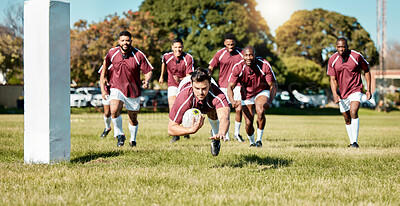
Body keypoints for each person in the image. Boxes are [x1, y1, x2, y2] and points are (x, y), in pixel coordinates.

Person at [100, 31, 153, 147]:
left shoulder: (138, 54)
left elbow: (148, 71)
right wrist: (103, 77)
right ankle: (120, 135)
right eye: (123, 40)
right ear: (119, 41)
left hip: (133, 90)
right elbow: (105, 63)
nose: (125, 43)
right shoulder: (112, 52)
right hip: (116, 87)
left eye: (127, 40)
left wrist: (147, 81)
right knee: (113, 110)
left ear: (131, 41)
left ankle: (132, 140)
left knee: (133, 119)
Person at [168, 68, 230, 156]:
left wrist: (221, 132)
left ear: (210, 84)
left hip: (209, 102)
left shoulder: (218, 94)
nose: (200, 92)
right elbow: (171, 128)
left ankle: (215, 135)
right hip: (189, 99)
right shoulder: (184, 97)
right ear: (191, 85)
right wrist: (190, 130)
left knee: (213, 110)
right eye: (197, 88)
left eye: (204, 88)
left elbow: (224, 117)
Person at [227, 46, 277, 147]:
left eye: (251, 55)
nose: (248, 57)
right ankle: (252, 142)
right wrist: (232, 101)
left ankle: (259, 140)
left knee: (260, 111)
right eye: (246, 55)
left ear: (254, 55)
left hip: (261, 91)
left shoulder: (264, 64)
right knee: (248, 123)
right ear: (242, 56)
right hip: (246, 95)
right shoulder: (238, 67)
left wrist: (269, 101)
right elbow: (230, 87)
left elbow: (273, 85)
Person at [327, 37, 371, 148]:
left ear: (347, 46)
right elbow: (333, 79)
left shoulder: (356, 56)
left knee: (353, 111)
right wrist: (334, 94)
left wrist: (368, 89)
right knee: (347, 118)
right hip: (342, 92)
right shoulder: (332, 59)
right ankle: (352, 142)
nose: (341, 49)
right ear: (336, 47)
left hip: (355, 89)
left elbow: (367, 71)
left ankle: (355, 143)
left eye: (343, 47)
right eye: (339, 47)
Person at [208, 33, 244, 142]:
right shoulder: (220, 53)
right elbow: (211, 66)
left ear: (235, 43)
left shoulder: (242, 53)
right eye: (228, 44)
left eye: (232, 44)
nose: (230, 46)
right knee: (225, 110)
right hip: (223, 86)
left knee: (239, 108)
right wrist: (207, 78)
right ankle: (226, 134)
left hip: (237, 85)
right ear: (224, 43)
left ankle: (237, 133)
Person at [159, 38, 194, 143]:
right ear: (172, 48)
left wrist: (180, 79)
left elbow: (189, 76)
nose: (178, 49)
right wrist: (161, 76)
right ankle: (175, 133)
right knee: (172, 106)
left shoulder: (188, 58)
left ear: (182, 47)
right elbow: (164, 63)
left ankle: (186, 129)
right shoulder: (166, 56)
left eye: (180, 47)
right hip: (172, 84)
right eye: (175, 47)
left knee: (185, 107)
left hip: (185, 84)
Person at [98, 65, 112, 138]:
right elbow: (102, 78)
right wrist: (103, 91)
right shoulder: (107, 63)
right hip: (107, 91)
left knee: (115, 112)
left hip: (118, 91)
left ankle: (118, 134)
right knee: (107, 113)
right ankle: (107, 127)